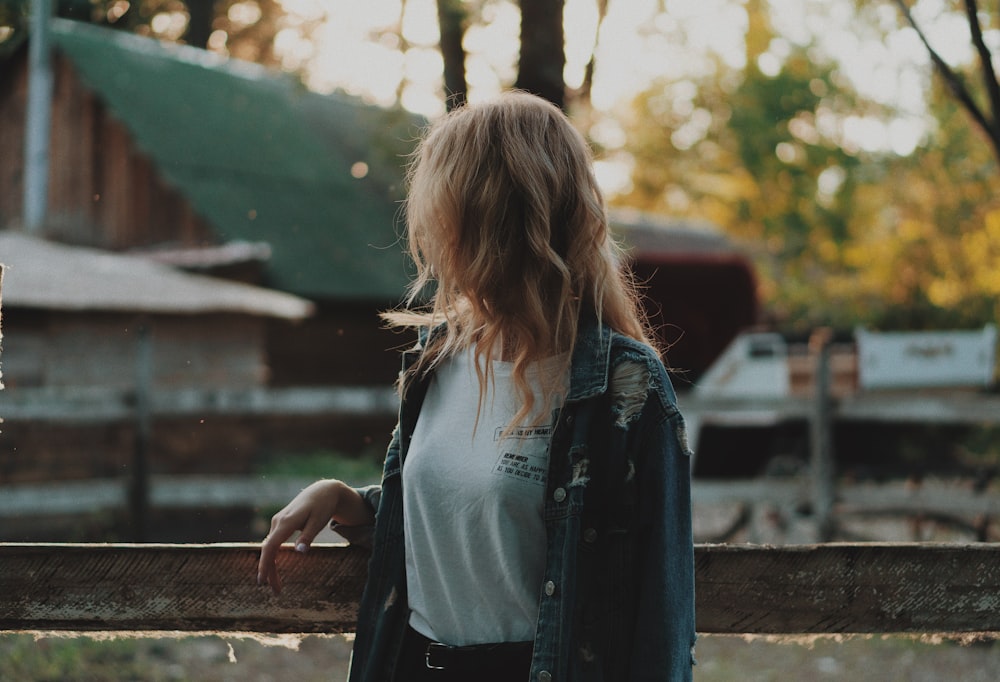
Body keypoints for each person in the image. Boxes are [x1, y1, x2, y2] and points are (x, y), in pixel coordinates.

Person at [257, 90, 696, 681]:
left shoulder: (626, 387)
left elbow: (661, 618)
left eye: (443, 210)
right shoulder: (434, 360)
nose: (432, 235)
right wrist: (351, 502)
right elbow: (462, 516)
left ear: (491, 217)